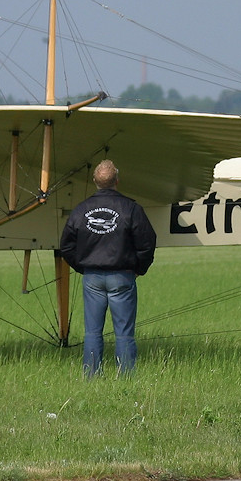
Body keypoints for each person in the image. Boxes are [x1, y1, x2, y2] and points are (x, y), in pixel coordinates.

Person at [58, 159, 157, 377]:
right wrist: (140, 268)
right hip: (122, 275)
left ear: (95, 181)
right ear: (117, 181)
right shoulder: (131, 208)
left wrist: (82, 267)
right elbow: (147, 241)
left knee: (92, 332)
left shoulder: (80, 210)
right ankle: (126, 377)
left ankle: (92, 375)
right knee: (124, 333)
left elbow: (66, 245)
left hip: (92, 276)